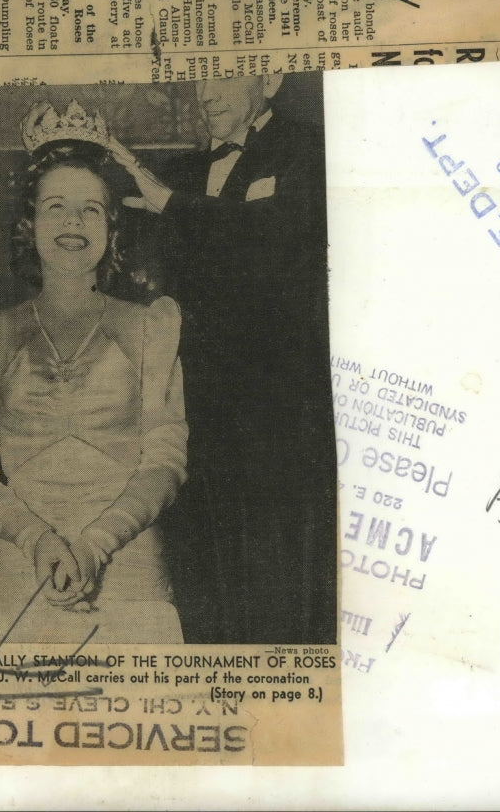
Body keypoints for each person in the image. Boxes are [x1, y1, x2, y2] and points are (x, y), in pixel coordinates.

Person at [0, 100, 188, 644]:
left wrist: (96, 544)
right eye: (56, 207)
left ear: (111, 228)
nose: (73, 223)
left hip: (130, 577)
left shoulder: (151, 327)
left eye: (90, 209)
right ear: (30, 225)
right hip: (15, 574)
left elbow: (165, 462)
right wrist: (39, 541)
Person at [109, 76, 337, 645]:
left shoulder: (309, 149)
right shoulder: (183, 177)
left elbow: (282, 242)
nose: (206, 94)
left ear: (272, 78)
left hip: (275, 413)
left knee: (272, 571)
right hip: (196, 409)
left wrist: (171, 207)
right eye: (199, 78)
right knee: (199, 567)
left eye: (224, 74)